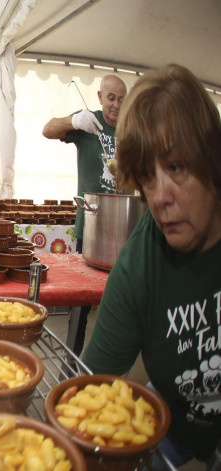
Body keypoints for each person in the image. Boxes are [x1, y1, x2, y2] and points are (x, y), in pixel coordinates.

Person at [81, 64, 221, 469]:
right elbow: (90, 385)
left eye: (176, 167)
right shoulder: (139, 266)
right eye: (146, 176)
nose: (159, 197)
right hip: (174, 426)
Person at [42, 74, 128, 252]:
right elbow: (48, 130)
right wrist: (73, 122)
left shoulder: (132, 127)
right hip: (91, 222)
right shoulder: (89, 120)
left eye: (122, 100)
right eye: (111, 98)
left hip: (123, 225)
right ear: (100, 97)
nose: (116, 105)